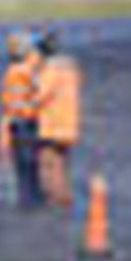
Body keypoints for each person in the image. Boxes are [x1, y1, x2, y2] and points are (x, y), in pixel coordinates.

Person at [35, 32, 82, 209]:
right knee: (63, 164)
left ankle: (54, 200)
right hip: (69, 124)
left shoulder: (51, 70)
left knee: (49, 164)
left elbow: (40, 95)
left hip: (52, 125)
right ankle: (64, 198)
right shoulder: (71, 70)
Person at [0, 31, 45, 209]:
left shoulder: (15, 70)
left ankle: (29, 200)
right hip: (24, 122)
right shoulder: (22, 71)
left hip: (19, 122)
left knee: (26, 167)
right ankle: (30, 202)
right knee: (28, 166)